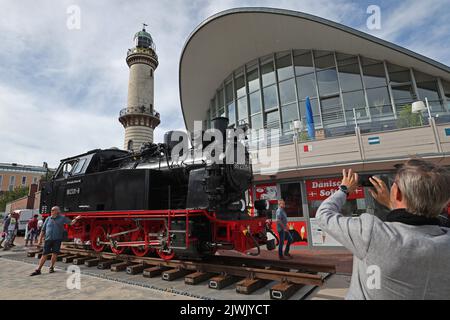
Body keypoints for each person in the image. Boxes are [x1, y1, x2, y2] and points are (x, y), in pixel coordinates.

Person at [316, 159, 450, 299]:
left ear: (397, 192)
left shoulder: (371, 233)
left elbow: (324, 215)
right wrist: (394, 206)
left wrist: (344, 190)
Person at [30, 206, 81, 276]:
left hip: (57, 239)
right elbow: (43, 230)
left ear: (57, 211)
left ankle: (51, 267)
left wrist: (76, 219)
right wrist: (39, 240)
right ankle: (38, 269)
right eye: (51, 210)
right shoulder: (48, 219)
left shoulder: (62, 218)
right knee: (44, 254)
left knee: (55, 254)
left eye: (53, 210)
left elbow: (71, 223)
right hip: (48, 239)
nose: (51, 211)